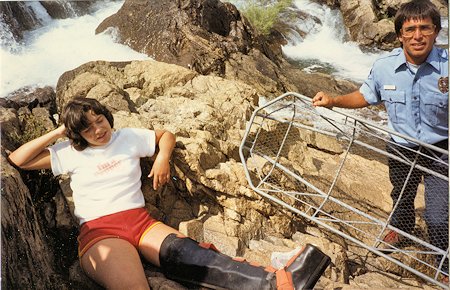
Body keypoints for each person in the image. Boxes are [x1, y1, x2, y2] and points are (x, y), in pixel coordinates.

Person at [8, 97, 331, 290]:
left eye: (100, 118)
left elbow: (166, 135)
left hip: (139, 221)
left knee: (189, 254)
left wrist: (162, 156)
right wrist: (60, 130)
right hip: (100, 232)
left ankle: (280, 282)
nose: (98, 128)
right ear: (77, 133)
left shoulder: (127, 137)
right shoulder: (69, 152)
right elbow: (18, 160)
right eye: (88, 127)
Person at [312, 0, 448, 279]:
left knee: (438, 215)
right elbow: (365, 96)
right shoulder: (384, 66)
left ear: (436, 32)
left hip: (440, 151)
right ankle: (401, 229)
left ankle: (443, 262)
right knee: (401, 194)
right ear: (399, 35)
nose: (417, 36)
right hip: (400, 147)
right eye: (410, 30)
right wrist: (333, 100)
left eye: (425, 28)